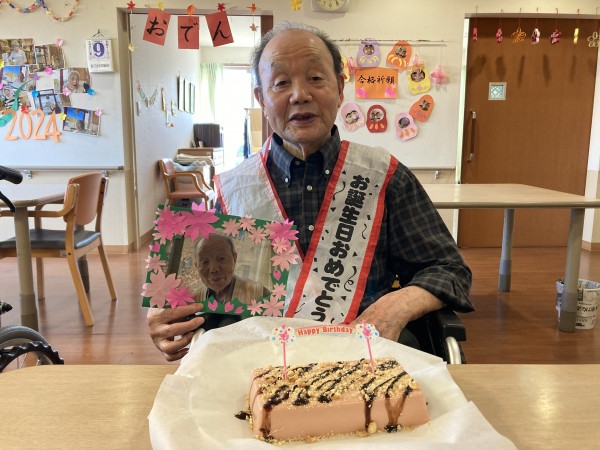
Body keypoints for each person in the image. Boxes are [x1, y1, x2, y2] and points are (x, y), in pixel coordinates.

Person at [147, 21, 473, 362]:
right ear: (261, 99)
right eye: (281, 83)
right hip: (261, 363)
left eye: (316, 78)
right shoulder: (233, 188)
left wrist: (396, 305)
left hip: (365, 356)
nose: (300, 94)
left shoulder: (384, 176)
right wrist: (167, 317)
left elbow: (449, 270)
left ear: (340, 88)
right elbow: (202, 293)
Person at [191, 234, 269, 330]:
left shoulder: (259, 294)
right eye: (204, 262)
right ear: (197, 266)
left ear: (234, 258)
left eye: (221, 258)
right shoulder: (193, 301)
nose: (214, 269)